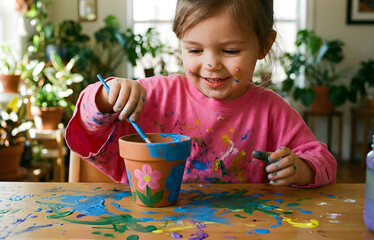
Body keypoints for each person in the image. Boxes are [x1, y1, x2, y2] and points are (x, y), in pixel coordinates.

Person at [65, 0, 336, 188]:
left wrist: (299, 169)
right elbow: (87, 129)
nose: (211, 64)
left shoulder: (272, 112)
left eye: (230, 51)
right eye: (194, 50)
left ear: (264, 45)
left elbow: (323, 163)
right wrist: (106, 96)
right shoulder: (153, 96)